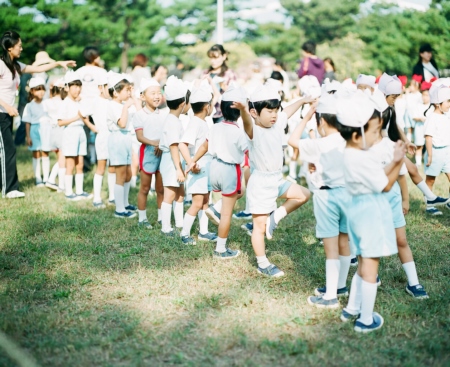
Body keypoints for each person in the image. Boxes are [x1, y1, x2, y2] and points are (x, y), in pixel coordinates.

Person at [336, 90, 406, 333]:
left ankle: (352, 308)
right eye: (375, 131)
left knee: (364, 261)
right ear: (357, 135)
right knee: (370, 266)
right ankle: (366, 319)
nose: (378, 136)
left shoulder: (351, 153)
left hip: (358, 211)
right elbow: (386, 184)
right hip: (370, 212)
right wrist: (397, 161)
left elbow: (378, 177)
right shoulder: (360, 158)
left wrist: (392, 161)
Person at [288, 91, 352, 308]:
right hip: (349, 195)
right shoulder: (348, 141)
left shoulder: (318, 144)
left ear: (321, 121)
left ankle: (330, 296)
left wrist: (306, 117)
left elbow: (292, 140)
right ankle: (341, 285)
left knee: (331, 248)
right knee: (344, 242)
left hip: (327, 197)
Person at [242, 85, 311, 277]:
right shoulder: (254, 129)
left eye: (276, 110)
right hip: (261, 184)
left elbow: (287, 111)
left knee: (304, 194)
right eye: (269, 111)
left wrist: (303, 101)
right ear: (255, 112)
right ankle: (262, 263)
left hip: (276, 179)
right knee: (258, 227)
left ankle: (276, 216)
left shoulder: (277, 122)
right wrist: (242, 109)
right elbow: (247, 121)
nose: (274, 115)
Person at [0, 30, 75, 199]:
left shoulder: (16, 66)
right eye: (19, 45)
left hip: (6, 114)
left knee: (4, 150)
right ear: (10, 48)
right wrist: (7, 106)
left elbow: (38, 67)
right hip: (2, 112)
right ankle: (9, 189)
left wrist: (58, 63)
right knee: (8, 150)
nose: (22, 48)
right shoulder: (1, 65)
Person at [186, 84, 247, 258]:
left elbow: (204, 146)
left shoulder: (215, 127)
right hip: (229, 170)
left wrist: (193, 161)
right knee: (227, 212)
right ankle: (220, 249)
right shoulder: (238, 132)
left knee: (239, 192)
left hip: (214, 169)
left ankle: (216, 207)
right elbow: (248, 152)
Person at [178, 80, 218, 244]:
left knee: (205, 201)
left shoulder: (202, 122)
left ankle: (203, 231)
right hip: (198, 169)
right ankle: (184, 233)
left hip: (206, 168)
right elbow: (182, 144)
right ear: (207, 107)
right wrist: (190, 163)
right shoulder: (195, 123)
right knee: (197, 203)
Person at [57, 70, 95, 201]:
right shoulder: (65, 103)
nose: (77, 89)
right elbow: (60, 122)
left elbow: (88, 111)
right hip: (70, 133)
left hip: (81, 132)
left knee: (80, 164)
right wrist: (76, 118)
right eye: (74, 86)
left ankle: (79, 191)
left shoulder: (79, 102)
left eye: (79, 86)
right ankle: (68, 192)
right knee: (70, 164)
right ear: (67, 87)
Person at [159, 76, 189, 236]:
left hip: (175, 161)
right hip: (172, 162)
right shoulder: (171, 121)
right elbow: (173, 146)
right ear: (183, 103)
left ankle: (179, 222)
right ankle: (165, 227)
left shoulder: (173, 119)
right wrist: (178, 168)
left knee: (180, 193)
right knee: (169, 194)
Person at [133, 78, 165, 228]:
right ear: (142, 96)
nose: (157, 96)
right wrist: (155, 143)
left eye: (159, 92)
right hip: (147, 153)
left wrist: (161, 143)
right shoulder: (139, 115)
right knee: (145, 188)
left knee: (160, 188)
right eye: (153, 93)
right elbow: (140, 137)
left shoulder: (164, 114)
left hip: (162, 154)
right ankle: (142, 219)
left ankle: (161, 218)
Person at [106, 71, 136, 218]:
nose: (129, 93)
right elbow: (122, 124)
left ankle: (124, 203)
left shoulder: (123, 104)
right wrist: (126, 108)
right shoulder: (112, 105)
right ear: (116, 93)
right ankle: (119, 209)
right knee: (120, 174)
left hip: (125, 140)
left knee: (128, 174)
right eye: (126, 90)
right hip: (117, 139)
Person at [423, 82, 450, 210]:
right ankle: (430, 204)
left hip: (447, 152)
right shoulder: (432, 117)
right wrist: (430, 155)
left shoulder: (446, 116)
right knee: (430, 180)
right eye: (448, 101)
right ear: (438, 104)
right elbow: (428, 137)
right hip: (435, 152)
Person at [23, 77, 50, 186]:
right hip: (34, 130)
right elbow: (27, 122)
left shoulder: (47, 103)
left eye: (43, 89)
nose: (41, 92)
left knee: (45, 152)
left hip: (46, 128)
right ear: (32, 91)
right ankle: (38, 178)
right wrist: (28, 136)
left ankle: (47, 178)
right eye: (38, 89)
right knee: (36, 154)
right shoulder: (29, 106)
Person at [204, 44, 237, 123]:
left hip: (223, 115)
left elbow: (235, 94)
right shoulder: (205, 73)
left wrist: (224, 86)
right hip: (206, 113)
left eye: (216, 57)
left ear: (224, 56)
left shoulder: (229, 74)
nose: (213, 60)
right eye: (211, 57)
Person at [45, 78, 67, 192]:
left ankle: (54, 180)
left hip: (52, 131)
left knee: (60, 158)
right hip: (61, 130)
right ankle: (56, 182)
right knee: (63, 159)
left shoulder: (48, 101)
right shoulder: (64, 103)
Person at [411, 81, 432, 166]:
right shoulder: (418, 105)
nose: (424, 97)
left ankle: (428, 160)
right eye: (423, 95)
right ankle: (418, 162)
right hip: (419, 128)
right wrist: (420, 119)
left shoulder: (432, 106)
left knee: (429, 146)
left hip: (429, 129)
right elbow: (414, 116)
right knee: (419, 145)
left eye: (427, 95)